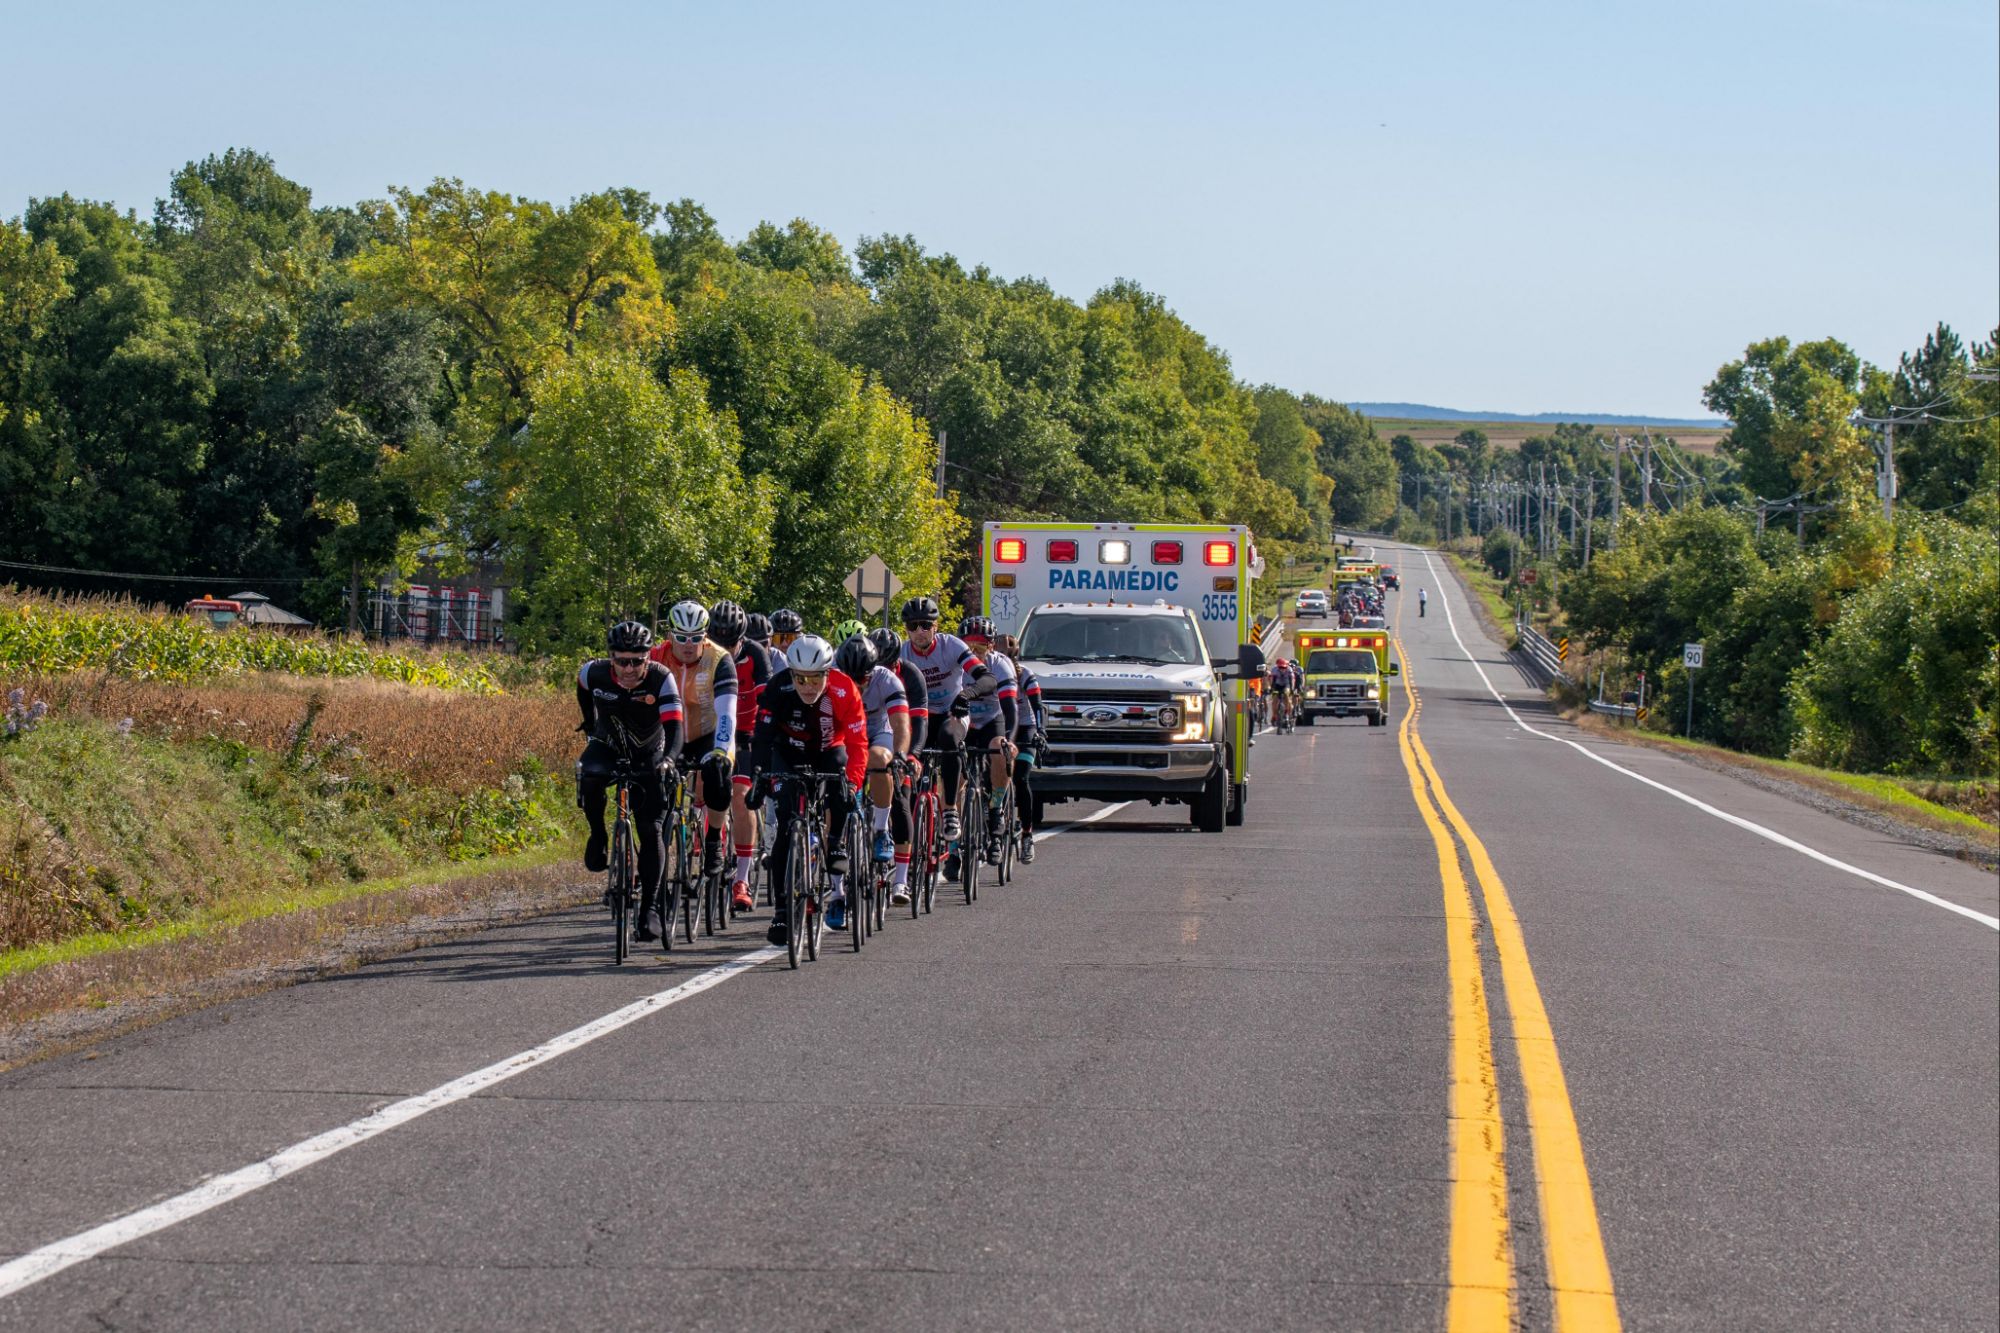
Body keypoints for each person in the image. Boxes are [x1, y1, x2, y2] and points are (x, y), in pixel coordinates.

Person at [751, 635, 868, 944]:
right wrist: (760, 778)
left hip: (830, 751)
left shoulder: (845, 690)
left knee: (842, 790)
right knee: (787, 827)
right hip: (787, 754)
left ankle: (834, 841)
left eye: (815, 678)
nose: (808, 686)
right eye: (801, 678)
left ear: (827, 674)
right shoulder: (778, 688)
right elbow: (761, 739)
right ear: (791, 674)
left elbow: (857, 744)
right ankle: (780, 912)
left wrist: (853, 784)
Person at [576, 621, 684, 941]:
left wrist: (669, 761)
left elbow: (676, 728)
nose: (629, 668)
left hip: (650, 752)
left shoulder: (661, 679)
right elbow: (582, 688)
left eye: (637, 660)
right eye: (621, 660)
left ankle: (650, 907)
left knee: (650, 830)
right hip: (608, 744)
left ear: (648, 658)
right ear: (611, 657)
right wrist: (588, 720)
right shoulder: (592, 673)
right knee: (589, 773)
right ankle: (598, 835)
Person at [649, 601, 738, 900]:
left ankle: (713, 839)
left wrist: (722, 752)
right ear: (670, 635)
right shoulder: (656, 657)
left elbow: (727, 713)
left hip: (707, 733)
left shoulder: (719, 659)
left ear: (705, 635)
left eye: (696, 637)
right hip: (669, 734)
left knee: (717, 774)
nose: (689, 645)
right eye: (681, 637)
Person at [897, 596, 995, 854]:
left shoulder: (952, 646)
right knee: (903, 757)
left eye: (926, 625)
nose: (920, 631)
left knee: (949, 738)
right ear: (906, 629)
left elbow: (987, 679)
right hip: (919, 716)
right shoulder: (901, 653)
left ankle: (950, 808)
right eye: (913, 625)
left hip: (952, 712)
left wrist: (966, 695)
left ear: (936, 626)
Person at [708, 599, 772, 912]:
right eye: (719, 642)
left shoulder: (756, 655)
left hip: (748, 731)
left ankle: (742, 880)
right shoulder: (704, 655)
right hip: (712, 729)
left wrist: (762, 738)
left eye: (731, 643)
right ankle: (704, 835)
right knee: (701, 783)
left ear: (742, 639)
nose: (725, 649)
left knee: (741, 795)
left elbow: (768, 701)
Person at [870, 626, 930, 905]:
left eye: (888, 665)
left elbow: (916, 722)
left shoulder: (909, 675)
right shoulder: (861, 671)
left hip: (899, 736)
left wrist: (911, 756)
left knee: (902, 799)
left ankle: (901, 880)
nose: (882, 671)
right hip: (869, 736)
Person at [958, 615, 1019, 863]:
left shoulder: (1001, 665)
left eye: (980, 647)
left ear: (991, 647)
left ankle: (996, 809)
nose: (974, 652)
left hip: (992, 721)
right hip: (964, 722)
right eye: (969, 647)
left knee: (999, 747)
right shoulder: (956, 665)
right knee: (954, 770)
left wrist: (1010, 741)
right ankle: (954, 842)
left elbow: (1010, 708)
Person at [996, 633, 1044, 862]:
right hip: (1000, 726)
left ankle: (1027, 834)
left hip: (1025, 728)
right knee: (990, 774)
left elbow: (1037, 705)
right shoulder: (990, 671)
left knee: (1021, 778)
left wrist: (1041, 731)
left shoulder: (1025, 674)